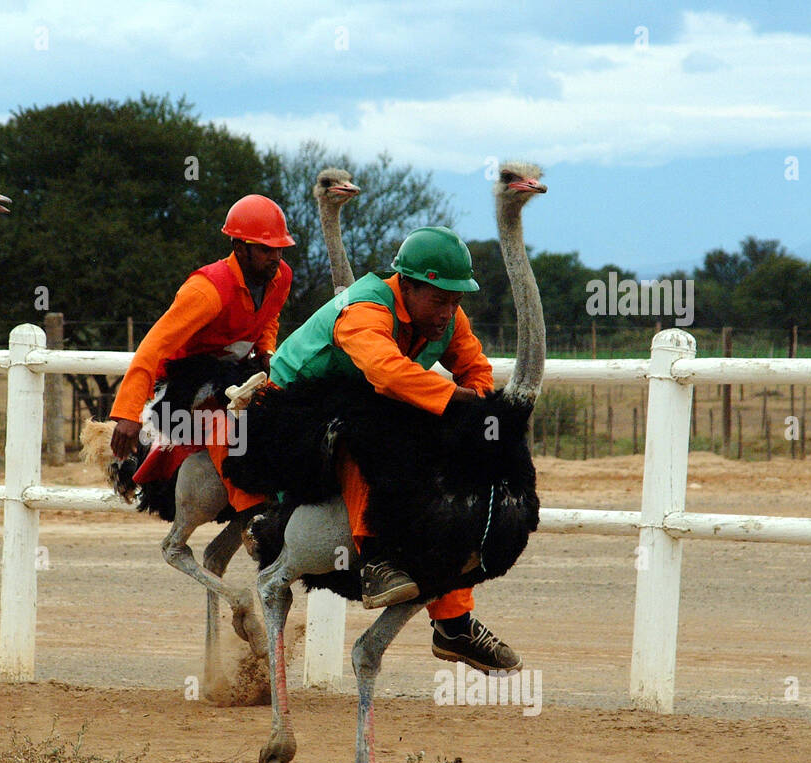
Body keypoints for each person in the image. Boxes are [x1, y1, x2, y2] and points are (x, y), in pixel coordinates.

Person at [267, 225, 521, 672]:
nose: (448, 312)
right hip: (292, 404)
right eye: (440, 300)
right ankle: (374, 559)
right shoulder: (365, 309)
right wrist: (463, 402)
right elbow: (385, 373)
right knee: (370, 436)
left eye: (455, 301)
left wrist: (478, 416)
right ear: (407, 285)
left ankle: (454, 624)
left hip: (360, 397)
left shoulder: (448, 318)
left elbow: (476, 370)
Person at [108, 194, 293, 513]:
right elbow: (154, 347)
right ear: (239, 248)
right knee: (227, 424)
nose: (275, 257)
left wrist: (266, 348)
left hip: (233, 372)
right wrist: (127, 412)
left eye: (279, 248)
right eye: (265, 249)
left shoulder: (281, 278)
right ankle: (249, 510)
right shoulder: (206, 291)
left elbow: (270, 316)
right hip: (184, 377)